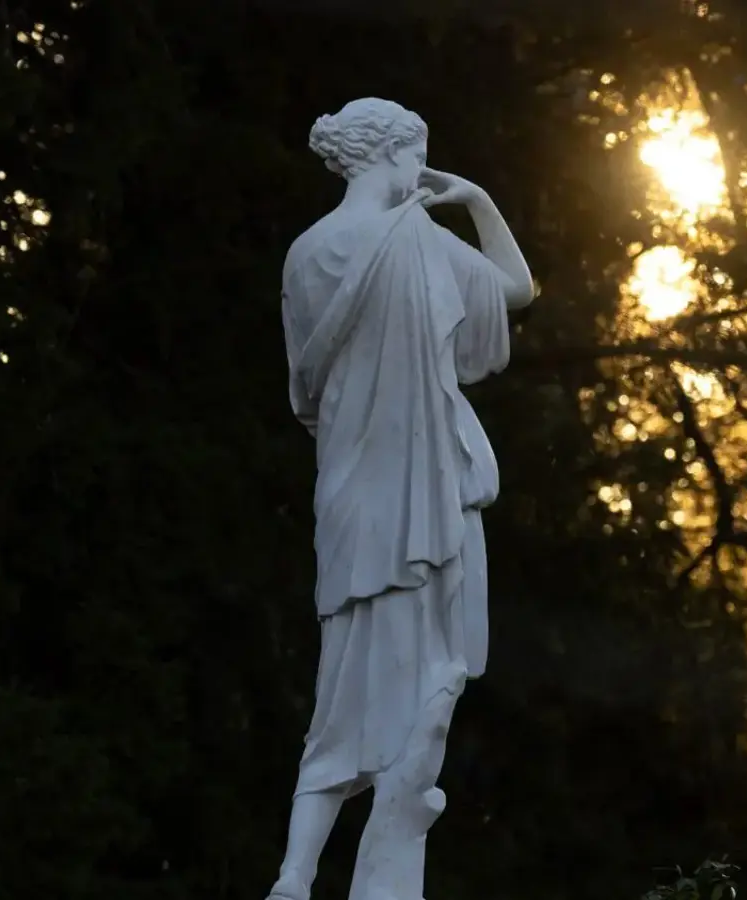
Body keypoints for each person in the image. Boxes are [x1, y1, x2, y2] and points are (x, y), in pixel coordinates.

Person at [271, 97, 535, 900]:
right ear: (396, 154)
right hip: (425, 495)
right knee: (427, 680)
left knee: (343, 688)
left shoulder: (305, 253)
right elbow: (516, 289)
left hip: (350, 488)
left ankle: (296, 873)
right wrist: (477, 201)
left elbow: (307, 391)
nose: (421, 172)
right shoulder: (418, 240)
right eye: (418, 156)